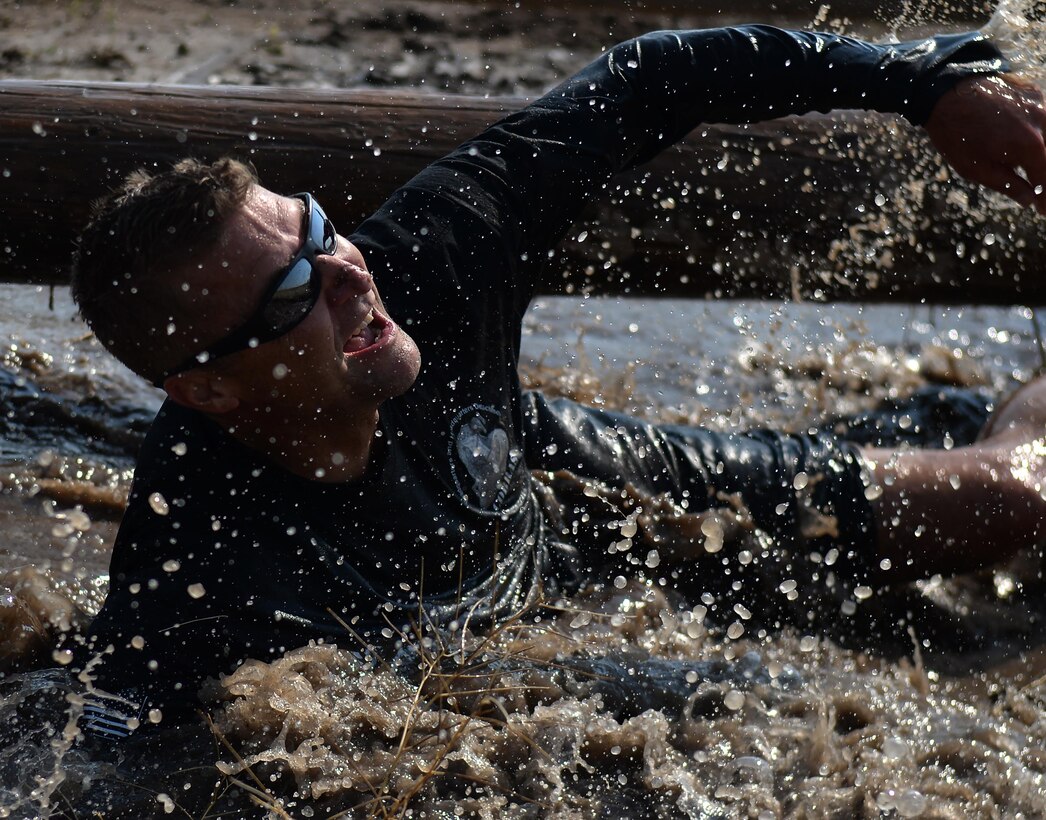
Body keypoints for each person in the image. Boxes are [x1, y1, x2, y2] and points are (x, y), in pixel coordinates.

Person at [67, 25, 1046, 731]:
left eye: (319, 229)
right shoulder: (201, 591)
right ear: (210, 391)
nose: (346, 273)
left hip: (561, 481)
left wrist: (923, 81)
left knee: (1006, 496)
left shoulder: (423, 260)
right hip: (515, 612)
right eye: (291, 292)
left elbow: (645, 77)